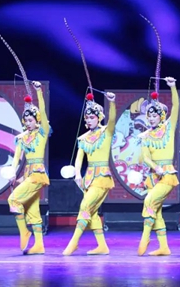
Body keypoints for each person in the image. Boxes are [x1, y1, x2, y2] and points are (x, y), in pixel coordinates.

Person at [62, 91, 117, 256]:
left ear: (99, 118)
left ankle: (74, 242)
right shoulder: (83, 138)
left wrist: (112, 102)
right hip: (88, 179)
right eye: (87, 118)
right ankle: (102, 246)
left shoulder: (106, 132)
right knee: (91, 212)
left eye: (92, 117)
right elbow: (79, 158)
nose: (88, 120)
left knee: (85, 206)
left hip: (102, 178)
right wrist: (77, 174)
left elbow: (112, 119)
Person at [6, 81, 50, 255]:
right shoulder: (22, 138)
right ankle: (39, 245)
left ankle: (24, 231)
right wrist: (12, 173)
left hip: (37, 175)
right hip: (28, 175)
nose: (28, 123)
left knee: (13, 200)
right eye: (26, 121)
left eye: (31, 120)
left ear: (37, 120)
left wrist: (39, 92)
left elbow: (43, 112)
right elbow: (17, 158)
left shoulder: (42, 133)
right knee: (32, 210)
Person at [137, 76, 179, 256]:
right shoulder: (145, 136)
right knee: (157, 211)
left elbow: (176, 107)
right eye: (149, 116)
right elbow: (146, 157)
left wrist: (172, 87)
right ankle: (163, 247)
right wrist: (155, 167)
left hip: (167, 175)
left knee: (149, 201)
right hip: (153, 176)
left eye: (154, 116)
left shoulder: (168, 128)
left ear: (161, 116)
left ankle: (145, 238)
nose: (151, 119)